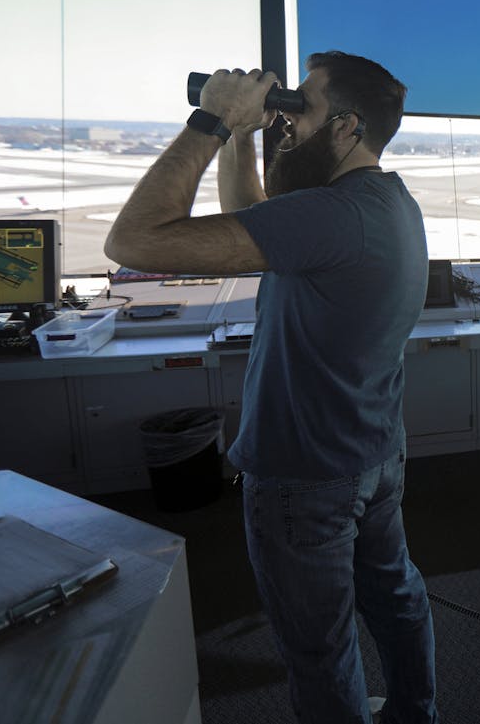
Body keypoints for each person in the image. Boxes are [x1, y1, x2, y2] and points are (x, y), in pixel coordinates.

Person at [105, 52, 438, 724]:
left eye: (300, 110)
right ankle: (413, 714)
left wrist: (210, 121)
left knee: (319, 645)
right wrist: (246, 134)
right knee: (395, 594)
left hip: (304, 473)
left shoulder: (332, 215)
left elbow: (133, 239)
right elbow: (248, 212)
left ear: (345, 126)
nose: (286, 123)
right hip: (371, 453)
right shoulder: (381, 200)